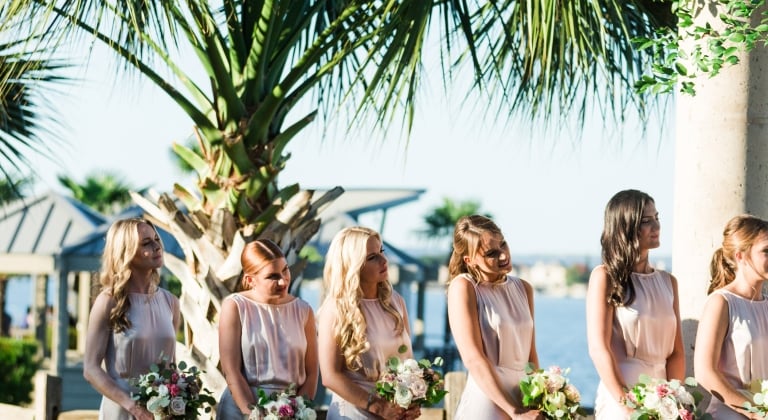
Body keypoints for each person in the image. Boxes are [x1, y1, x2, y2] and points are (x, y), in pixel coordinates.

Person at [585, 189, 685, 419]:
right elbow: (599, 349)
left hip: (664, 400)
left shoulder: (669, 282)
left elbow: (677, 353)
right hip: (622, 397)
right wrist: (628, 406)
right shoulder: (605, 277)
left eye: (657, 218)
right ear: (625, 227)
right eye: (646, 221)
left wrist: (674, 400)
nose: (656, 226)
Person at [317, 226, 420, 420]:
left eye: (381, 252)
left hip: (395, 413)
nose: (384, 260)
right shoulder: (335, 308)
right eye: (372, 257)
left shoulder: (396, 302)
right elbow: (330, 376)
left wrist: (411, 402)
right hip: (354, 413)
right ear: (352, 265)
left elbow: (408, 363)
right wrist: (378, 407)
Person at [446, 215, 543, 420]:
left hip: (524, 399)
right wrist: (513, 412)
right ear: (469, 260)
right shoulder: (464, 287)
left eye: (504, 245)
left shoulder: (524, 288)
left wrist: (540, 397)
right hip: (488, 403)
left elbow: (531, 356)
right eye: (491, 253)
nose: (503, 256)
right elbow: (473, 358)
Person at [83, 218, 180, 420]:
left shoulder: (171, 302)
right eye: (146, 243)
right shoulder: (108, 302)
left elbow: (171, 366)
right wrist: (134, 408)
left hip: (161, 414)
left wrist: (179, 398)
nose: (157, 246)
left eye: (156, 239)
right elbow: (91, 369)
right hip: (121, 411)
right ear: (126, 252)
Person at [217, 239, 319, 418]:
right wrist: (253, 414)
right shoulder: (235, 306)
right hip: (242, 410)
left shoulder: (304, 311)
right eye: (273, 276)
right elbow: (230, 370)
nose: (283, 281)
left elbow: (312, 373)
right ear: (251, 280)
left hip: (292, 411)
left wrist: (297, 412)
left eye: (285, 270)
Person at [694, 214, 768, 419]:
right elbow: (704, 372)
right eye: (766, 251)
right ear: (740, 256)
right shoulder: (721, 303)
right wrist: (754, 413)